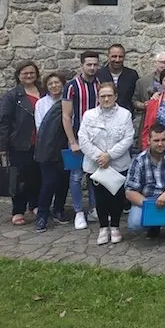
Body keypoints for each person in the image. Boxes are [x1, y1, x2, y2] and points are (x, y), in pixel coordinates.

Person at [79, 82, 134, 245]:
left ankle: (115, 226)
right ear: (98, 98)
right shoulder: (88, 115)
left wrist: (109, 155)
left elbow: (128, 138)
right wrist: (99, 157)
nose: (106, 98)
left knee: (116, 197)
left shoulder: (125, 115)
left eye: (109, 95)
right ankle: (103, 227)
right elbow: (83, 139)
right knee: (100, 197)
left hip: (117, 163)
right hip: (96, 164)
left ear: (115, 96)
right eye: (102, 96)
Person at [0, 61, 43, 226]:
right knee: (20, 179)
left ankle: (35, 205)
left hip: (42, 144)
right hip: (20, 144)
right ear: (19, 76)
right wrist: (2, 147)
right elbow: (4, 121)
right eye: (25, 73)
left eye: (32, 73)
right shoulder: (12, 96)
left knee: (38, 176)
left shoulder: (44, 93)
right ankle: (18, 210)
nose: (29, 76)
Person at [62, 51, 101, 228]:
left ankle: (94, 209)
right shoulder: (72, 86)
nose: (92, 68)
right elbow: (66, 116)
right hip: (78, 139)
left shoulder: (100, 85)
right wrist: (72, 141)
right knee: (76, 176)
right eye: (89, 64)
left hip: (97, 139)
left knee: (95, 176)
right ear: (82, 65)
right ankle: (79, 212)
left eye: (95, 64)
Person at [33, 72, 72, 231]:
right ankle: (42, 214)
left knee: (64, 180)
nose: (54, 86)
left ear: (63, 84)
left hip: (65, 144)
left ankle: (59, 210)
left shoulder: (68, 101)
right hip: (47, 147)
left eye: (57, 83)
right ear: (46, 87)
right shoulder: (41, 103)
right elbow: (40, 126)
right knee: (49, 182)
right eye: (50, 84)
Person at [96, 44, 140, 113]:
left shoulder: (132, 75)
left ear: (124, 57)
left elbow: (135, 97)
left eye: (120, 57)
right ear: (108, 57)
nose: (117, 60)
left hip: (125, 116)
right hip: (102, 114)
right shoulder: (99, 74)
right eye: (114, 56)